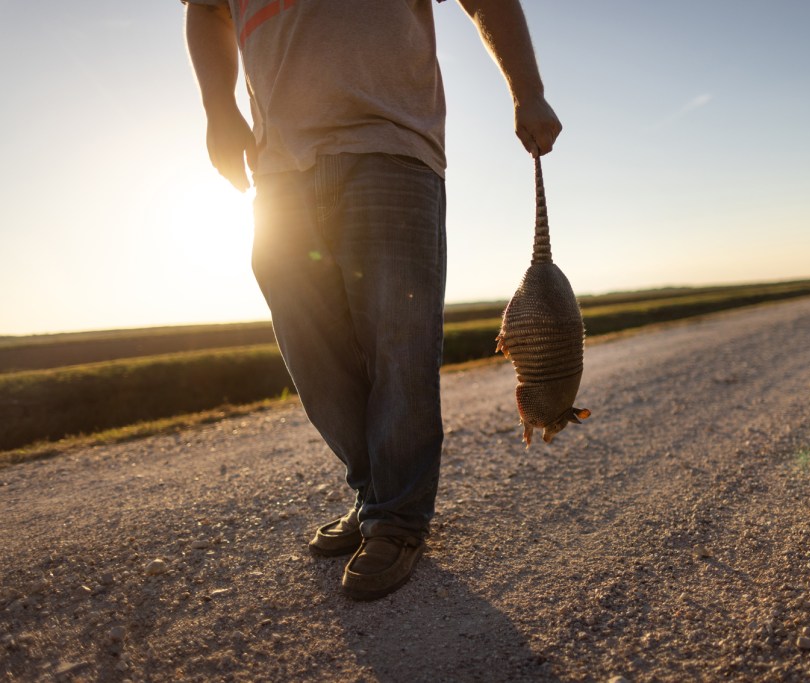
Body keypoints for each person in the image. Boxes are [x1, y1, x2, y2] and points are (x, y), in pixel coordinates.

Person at [182, 0, 561, 600]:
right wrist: (217, 109)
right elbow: (207, 12)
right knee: (312, 350)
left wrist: (528, 90)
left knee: (398, 342)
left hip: (391, 145)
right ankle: (375, 492)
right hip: (278, 165)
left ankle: (398, 519)